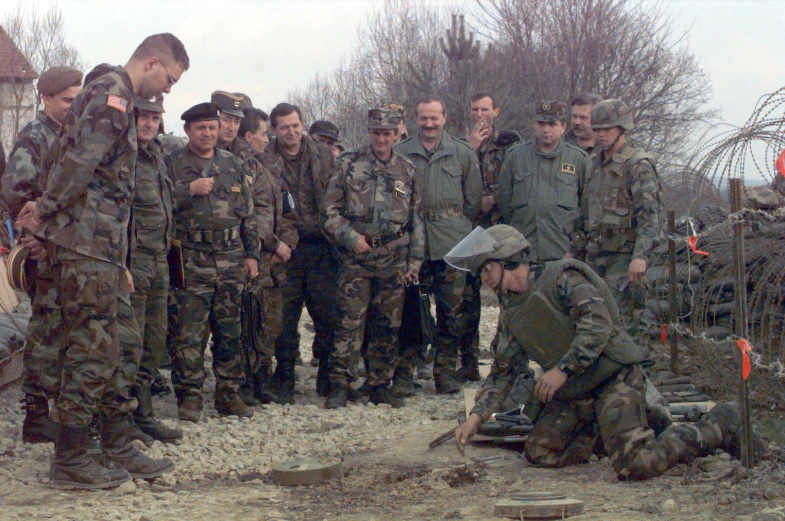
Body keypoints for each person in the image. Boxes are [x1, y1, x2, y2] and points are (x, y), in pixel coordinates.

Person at [449, 225, 764, 480]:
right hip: (577, 390)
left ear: (504, 261)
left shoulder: (562, 278)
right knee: (540, 452)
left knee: (637, 465)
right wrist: (476, 419)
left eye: (486, 271)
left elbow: (597, 325)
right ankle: (635, 424)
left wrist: (563, 370)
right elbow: (504, 371)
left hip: (614, 375)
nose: (485, 280)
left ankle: (719, 423)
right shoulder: (511, 313)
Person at [17, 33, 188, 491]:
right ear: (153, 62)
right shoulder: (112, 97)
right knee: (94, 350)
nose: (168, 89)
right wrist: (47, 213)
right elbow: (78, 163)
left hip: (102, 249)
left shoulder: (117, 96)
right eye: (169, 78)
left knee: (120, 344)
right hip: (85, 245)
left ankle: (115, 441)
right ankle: (70, 458)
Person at [1, 65, 82, 444]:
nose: (74, 105)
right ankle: (36, 414)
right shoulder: (35, 135)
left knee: (65, 329)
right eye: (67, 99)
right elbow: (16, 192)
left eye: (78, 98)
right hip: (43, 251)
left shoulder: (73, 134)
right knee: (46, 331)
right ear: (46, 99)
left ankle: (58, 406)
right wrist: (35, 233)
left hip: (67, 247)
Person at [322, 107, 424, 408]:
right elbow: (329, 212)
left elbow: (416, 219)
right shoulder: (348, 165)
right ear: (369, 132)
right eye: (376, 132)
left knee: (387, 324)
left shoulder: (407, 170)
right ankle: (340, 384)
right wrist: (351, 238)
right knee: (349, 322)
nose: (381, 138)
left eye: (387, 133)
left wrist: (414, 262)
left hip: (393, 258)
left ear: (396, 134)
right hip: (357, 258)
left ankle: (379, 382)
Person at [167, 102, 259, 421]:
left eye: (212, 127)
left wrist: (251, 255)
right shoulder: (172, 164)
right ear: (188, 131)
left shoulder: (232, 164)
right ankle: (189, 396)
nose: (207, 133)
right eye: (200, 128)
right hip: (191, 258)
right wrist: (186, 190)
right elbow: (156, 205)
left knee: (230, 328)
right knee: (189, 332)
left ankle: (229, 393)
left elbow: (248, 213)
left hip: (231, 258)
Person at [396, 95, 482, 394]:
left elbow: (473, 202)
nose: (429, 124)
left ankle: (445, 372)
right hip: (412, 246)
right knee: (409, 310)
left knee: (452, 311)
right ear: (415, 120)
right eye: (423, 118)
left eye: (435, 118)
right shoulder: (401, 152)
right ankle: (405, 373)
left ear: (445, 118)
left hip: (451, 244)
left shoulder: (462, 153)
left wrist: (455, 225)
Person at [258, 103, 336, 404]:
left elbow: (335, 193)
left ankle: (328, 375)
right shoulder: (265, 160)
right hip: (286, 249)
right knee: (284, 317)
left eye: (295, 125)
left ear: (303, 124)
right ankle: (285, 376)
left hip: (321, 247)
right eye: (284, 127)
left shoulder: (322, 154)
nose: (291, 132)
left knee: (327, 313)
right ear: (274, 129)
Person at [567, 99, 663, 343]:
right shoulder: (593, 165)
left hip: (623, 258)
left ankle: (634, 377)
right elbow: (585, 213)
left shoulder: (637, 165)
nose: (600, 134)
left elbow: (649, 216)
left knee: (624, 325)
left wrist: (640, 257)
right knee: (593, 321)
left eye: (606, 129)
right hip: (594, 256)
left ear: (621, 129)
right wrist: (572, 252)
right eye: (597, 129)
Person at [126, 96, 182, 442]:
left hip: (159, 259)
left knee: (154, 337)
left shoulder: (157, 156)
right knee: (128, 341)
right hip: (132, 261)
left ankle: (144, 413)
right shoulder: (122, 157)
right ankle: (120, 417)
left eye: (154, 118)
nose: (148, 123)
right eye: (143, 117)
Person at [456, 91, 521, 383]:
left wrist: (493, 198)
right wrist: (471, 148)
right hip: (470, 230)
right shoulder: (460, 145)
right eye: (474, 108)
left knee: (505, 295)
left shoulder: (510, 145)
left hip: (500, 230)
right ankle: (468, 361)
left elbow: (515, 180)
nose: (479, 113)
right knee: (467, 299)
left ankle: (504, 360)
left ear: (495, 112)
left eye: (484, 108)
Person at [238, 106, 299, 404]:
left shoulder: (267, 169)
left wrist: (286, 243)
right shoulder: (240, 167)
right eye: (264, 134)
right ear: (249, 136)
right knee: (251, 322)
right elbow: (253, 217)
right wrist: (275, 244)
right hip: (255, 259)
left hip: (274, 262)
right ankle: (247, 383)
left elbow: (285, 211)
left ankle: (263, 379)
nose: (267, 140)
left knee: (270, 324)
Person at [498, 100, 590, 263]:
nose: (546, 129)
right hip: (523, 252)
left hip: (562, 253)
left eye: (552, 124)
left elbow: (587, 209)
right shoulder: (516, 156)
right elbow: (505, 204)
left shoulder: (579, 160)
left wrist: (575, 248)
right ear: (534, 124)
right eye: (541, 123)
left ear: (563, 127)